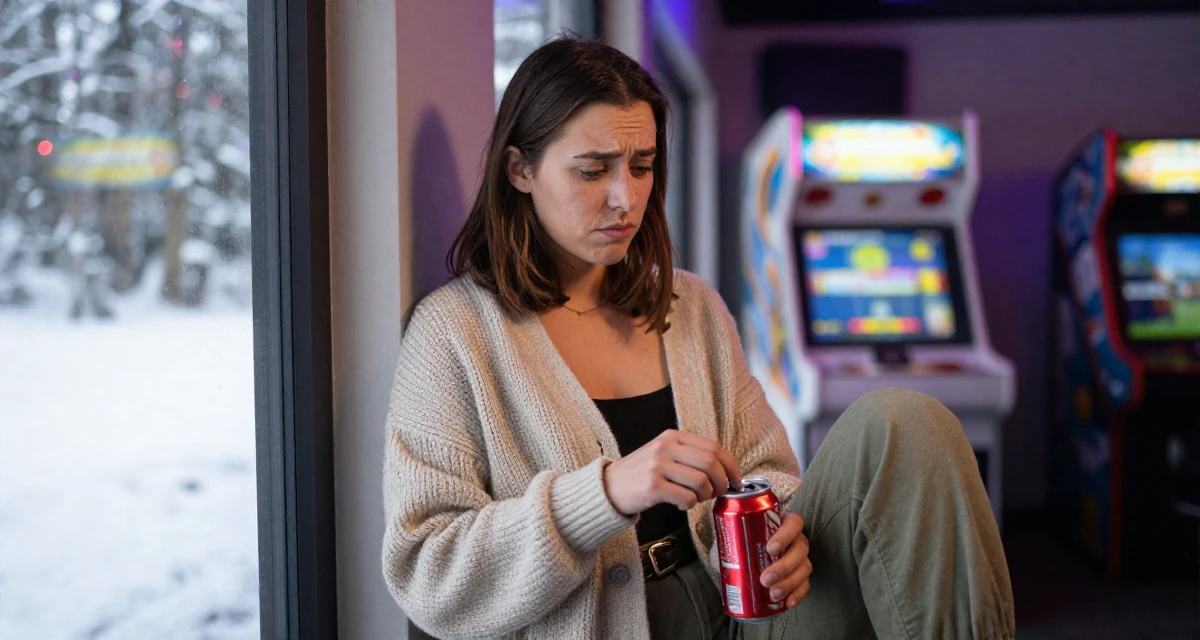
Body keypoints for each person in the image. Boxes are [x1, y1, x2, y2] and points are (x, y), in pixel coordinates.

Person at [382, 37, 1014, 640]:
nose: (623, 198)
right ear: (520, 169)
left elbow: (768, 475)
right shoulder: (454, 333)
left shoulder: (691, 308)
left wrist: (787, 534)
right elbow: (427, 571)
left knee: (906, 419)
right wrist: (605, 493)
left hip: (746, 619)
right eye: (592, 170)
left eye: (642, 166)